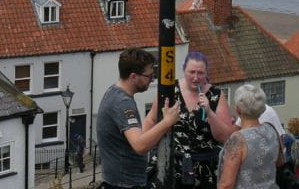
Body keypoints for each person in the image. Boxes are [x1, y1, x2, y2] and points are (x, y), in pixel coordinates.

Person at [97, 48, 181, 189]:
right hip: (124, 185)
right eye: (149, 75)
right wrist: (167, 123)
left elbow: (134, 137)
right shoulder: (123, 102)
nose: (152, 79)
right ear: (134, 76)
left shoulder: (114, 91)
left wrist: (154, 114)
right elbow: (139, 145)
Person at [157, 51, 236, 189]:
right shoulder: (170, 89)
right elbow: (152, 119)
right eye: (191, 72)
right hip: (174, 165)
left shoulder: (216, 94)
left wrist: (210, 113)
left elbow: (225, 136)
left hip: (205, 169)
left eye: (200, 73)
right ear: (183, 70)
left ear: (206, 73)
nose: (196, 77)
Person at [218, 84, 284, 189]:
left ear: (238, 109)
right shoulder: (271, 130)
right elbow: (280, 161)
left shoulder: (238, 139)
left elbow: (226, 184)